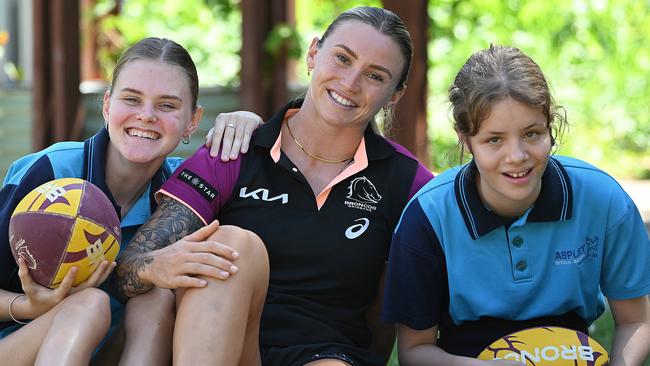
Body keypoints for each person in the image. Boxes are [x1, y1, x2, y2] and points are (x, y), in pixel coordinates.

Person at [113, 7, 433, 366]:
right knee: (235, 243)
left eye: (375, 76)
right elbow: (127, 268)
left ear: (394, 95)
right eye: (342, 58)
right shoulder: (234, 152)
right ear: (313, 54)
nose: (350, 82)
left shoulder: (408, 183)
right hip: (221, 351)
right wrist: (157, 266)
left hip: (327, 354)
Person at [382, 45, 650, 365]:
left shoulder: (602, 199)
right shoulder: (427, 218)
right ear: (466, 139)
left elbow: (637, 320)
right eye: (494, 139)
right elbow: (414, 350)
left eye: (532, 134)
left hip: (572, 351)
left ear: (550, 125)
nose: (517, 156)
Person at [0, 37, 261, 365]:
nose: (147, 115)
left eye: (167, 105)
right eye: (132, 99)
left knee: (155, 297)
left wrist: (249, 125)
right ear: (107, 105)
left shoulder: (186, 191)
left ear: (193, 121)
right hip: (16, 344)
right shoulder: (52, 171)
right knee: (88, 306)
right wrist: (27, 305)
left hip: (107, 349)